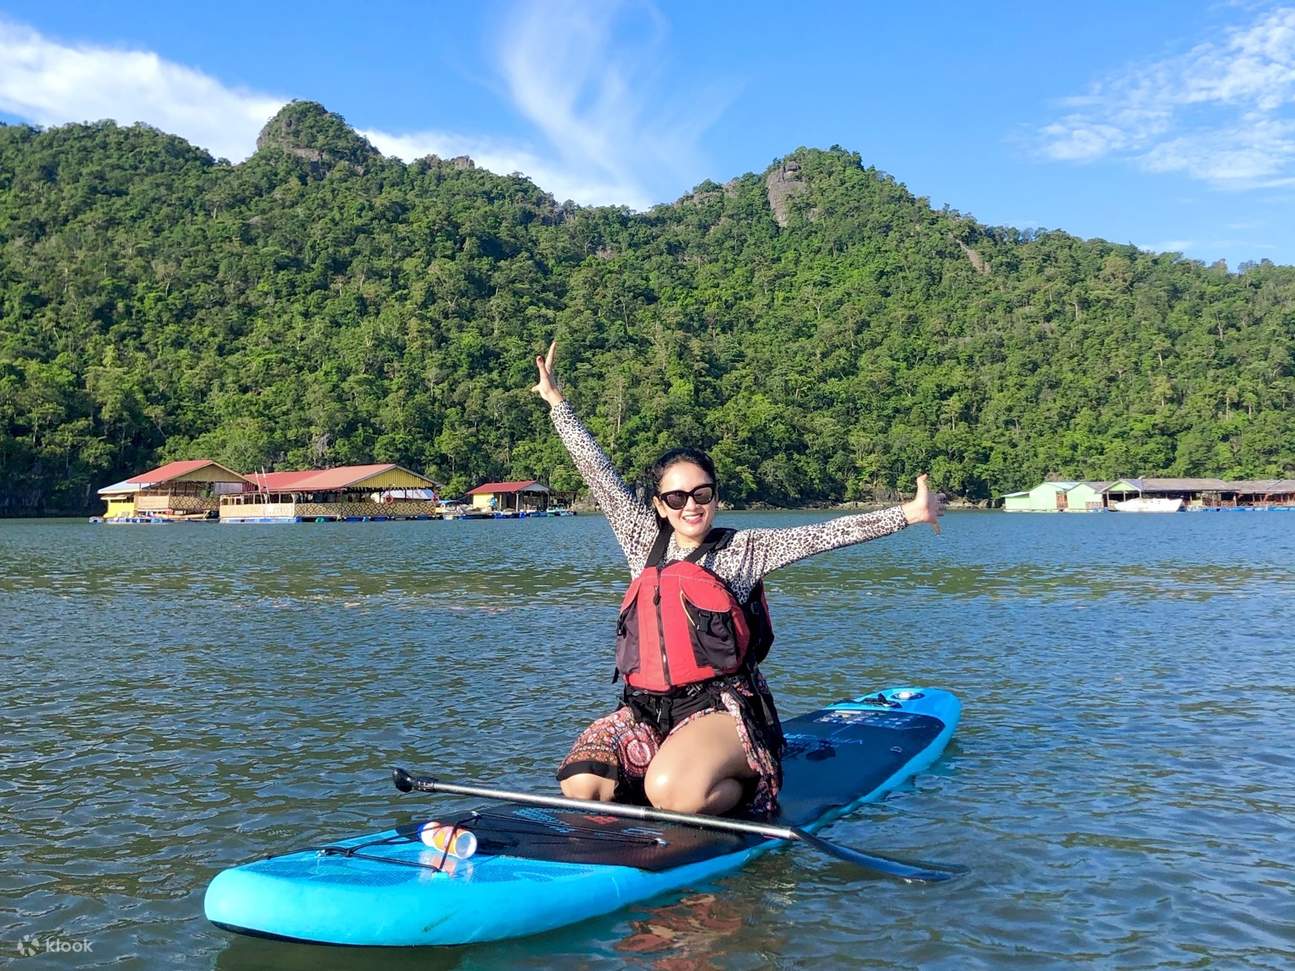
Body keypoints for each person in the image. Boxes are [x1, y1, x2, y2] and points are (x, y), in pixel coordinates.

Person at [531, 342, 942, 819]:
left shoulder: (743, 550)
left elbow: (828, 534)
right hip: (647, 709)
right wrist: (558, 404)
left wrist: (910, 513)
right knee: (583, 784)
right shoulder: (641, 539)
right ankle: (671, 776)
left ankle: (738, 785)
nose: (691, 505)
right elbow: (598, 474)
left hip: (722, 708)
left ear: (715, 495)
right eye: (677, 496)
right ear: (660, 504)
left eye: (701, 493)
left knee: (672, 791)